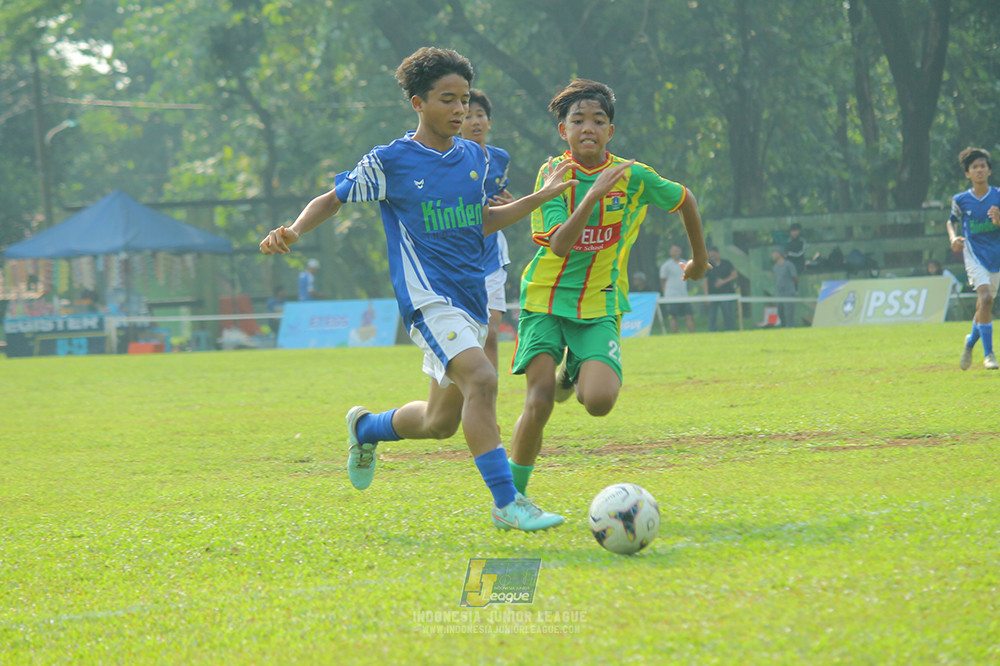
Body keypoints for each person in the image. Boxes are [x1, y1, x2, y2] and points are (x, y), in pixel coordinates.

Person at [259, 47, 577, 532]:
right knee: (483, 379)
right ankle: (507, 503)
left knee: (439, 422)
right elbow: (332, 199)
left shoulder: (475, 156)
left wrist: (542, 196)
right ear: (418, 103)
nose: (460, 110)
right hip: (428, 302)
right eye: (447, 99)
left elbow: (482, 222)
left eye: (464, 99)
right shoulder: (391, 161)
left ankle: (366, 427)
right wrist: (294, 231)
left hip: (470, 299)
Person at [507, 79, 709, 497]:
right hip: (545, 298)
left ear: (610, 132)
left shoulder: (631, 176)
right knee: (540, 401)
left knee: (598, 402)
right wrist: (593, 195)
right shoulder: (553, 174)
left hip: (599, 304)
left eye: (598, 121)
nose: (588, 128)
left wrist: (699, 260)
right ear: (563, 130)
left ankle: (574, 370)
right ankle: (512, 498)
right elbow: (560, 245)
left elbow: (684, 198)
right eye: (578, 120)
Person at [460, 88, 515, 370]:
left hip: (490, 254)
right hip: (455, 255)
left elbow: (499, 199)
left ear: (489, 122)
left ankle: (488, 395)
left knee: (491, 332)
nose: (475, 122)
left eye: (480, 115)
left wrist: (511, 206)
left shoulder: (500, 158)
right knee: (465, 335)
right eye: (467, 116)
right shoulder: (445, 158)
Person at [947, 147, 1000, 370]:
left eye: (982, 166)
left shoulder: (998, 195)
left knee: (983, 306)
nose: (979, 170)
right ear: (967, 173)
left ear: (989, 170)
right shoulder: (961, 200)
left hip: (996, 257)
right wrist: (953, 238)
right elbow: (951, 221)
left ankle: (970, 343)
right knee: (986, 299)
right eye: (974, 167)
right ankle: (989, 355)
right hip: (974, 255)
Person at [659, 243, 695, 333]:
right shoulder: (666, 266)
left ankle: (692, 335)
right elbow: (663, 280)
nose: (676, 253)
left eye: (678, 251)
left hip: (684, 295)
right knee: (673, 317)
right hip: (671, 296)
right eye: (674, 251)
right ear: (670, 252)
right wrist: (665, 294)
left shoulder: (685, 263)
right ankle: (675, 335)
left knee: (689, 316)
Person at [705, 246, 738, 331]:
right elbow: (705, 280)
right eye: (711, 256)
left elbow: (734, 275)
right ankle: (712, 331)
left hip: (726, 293)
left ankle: (730, 330)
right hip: (713, 294)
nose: (712, 258)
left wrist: (723, 281)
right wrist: (706, 296)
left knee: (727, 313)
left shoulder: (727, 263)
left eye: (714, 255)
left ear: (718, 253)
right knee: (712, 315)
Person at [771, 247, 798, 327]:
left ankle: (790, 328)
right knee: (780, 312)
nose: (773, 255)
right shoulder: (775, 267)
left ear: (779, 254)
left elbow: (795, 277)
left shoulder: (788, 265)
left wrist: (792, 287)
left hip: (788, 292)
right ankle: (783, 328)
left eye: (774, 253)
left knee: (789, 313)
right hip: (779, 293)